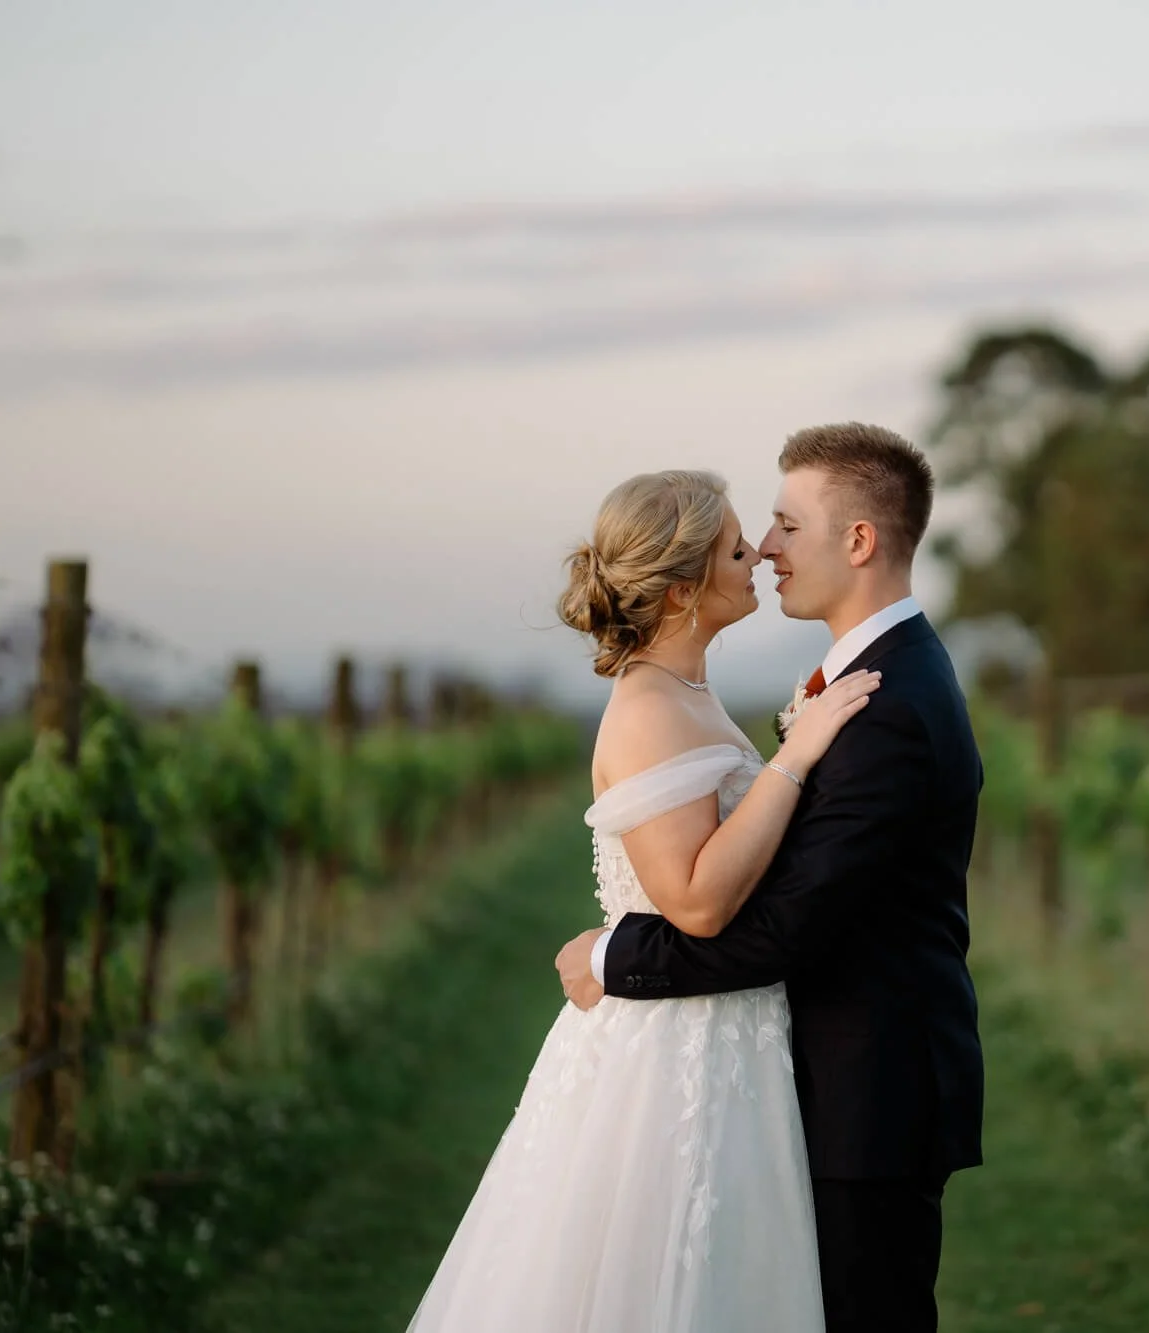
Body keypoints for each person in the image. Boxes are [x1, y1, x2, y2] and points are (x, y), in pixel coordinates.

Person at [402, 464, 876, 1332]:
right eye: (738, 548)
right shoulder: (653, 708)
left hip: (730, 1032)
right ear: (686, 585)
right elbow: (694, 901)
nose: (758, 554)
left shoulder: (690, 691)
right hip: (674, 1056)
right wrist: (794, 759)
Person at [557, 422, 986, 1333]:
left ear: (859, 540)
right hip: (809, 1084)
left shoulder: (889, 704)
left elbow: (787, 924)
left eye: (786, 525)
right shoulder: (868, 681)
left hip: (868, 1100)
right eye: (749, 538)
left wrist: (616, 959)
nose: (765, 550)